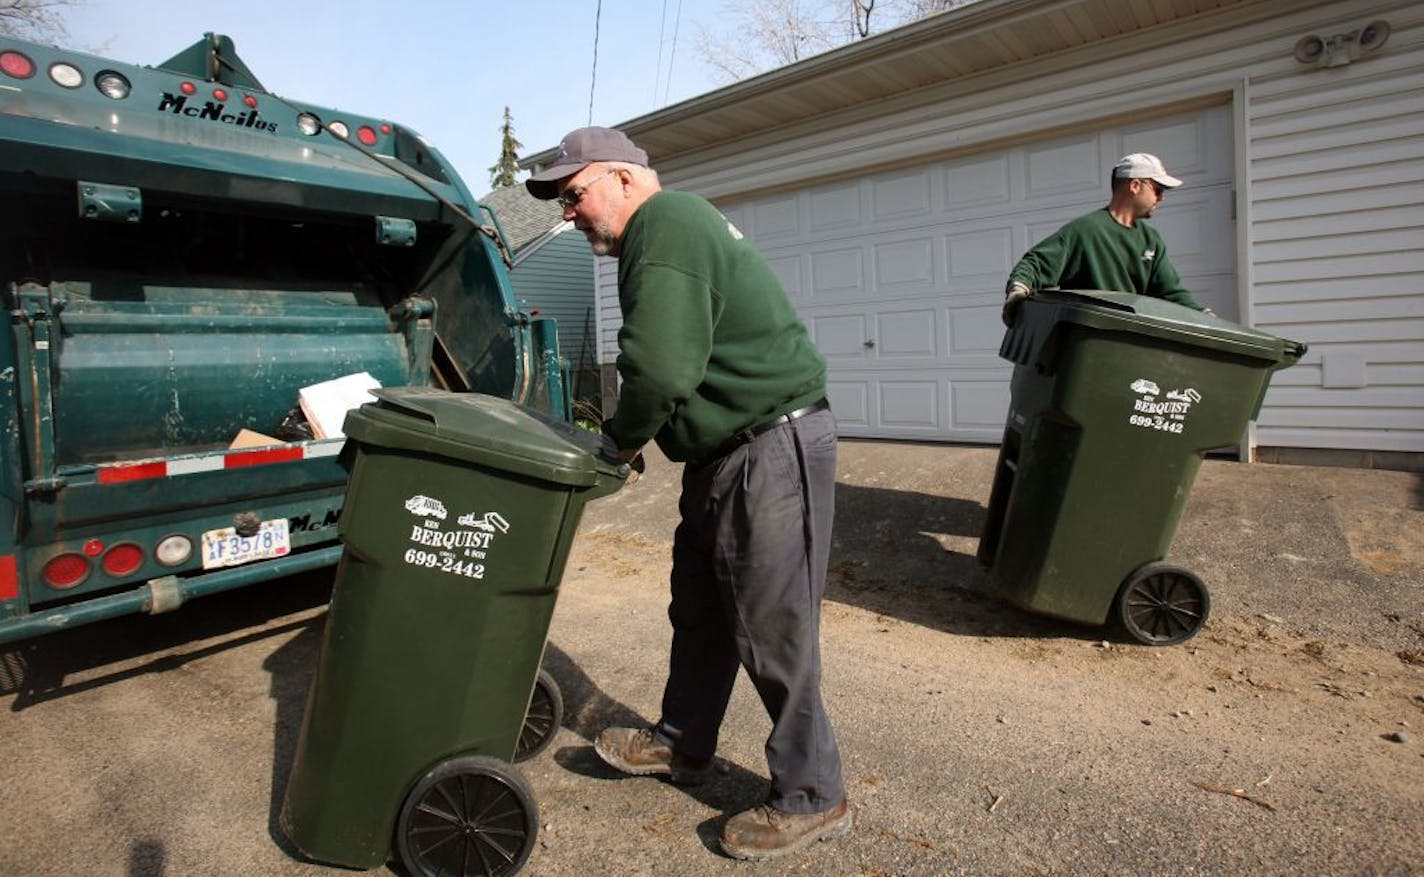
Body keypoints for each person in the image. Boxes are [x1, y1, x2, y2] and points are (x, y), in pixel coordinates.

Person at [525, 126, 851, 861]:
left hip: (769, 445)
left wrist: (618, 440)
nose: (569, 213)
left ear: (626, 178)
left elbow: (661, 365)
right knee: (701, 610)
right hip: (724, 452)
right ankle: (682, 742)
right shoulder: (664, 231)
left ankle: (813, 792)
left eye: (575, 194)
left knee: (773, 624)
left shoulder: (665, 223)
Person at [1003, 152, 1209, 324]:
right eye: (1157, 189)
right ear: (1135, 185)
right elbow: (1036, 263)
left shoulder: (1150, 240)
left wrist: (1205, 318)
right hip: (1089, 338)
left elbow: (1171, 291)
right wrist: (1018, 291)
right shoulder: (1085, 231)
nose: (1161, 197)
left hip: (1132, 341)